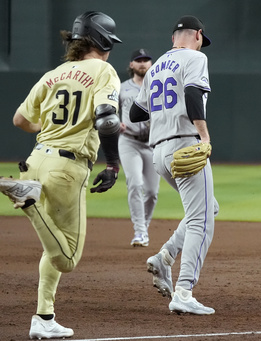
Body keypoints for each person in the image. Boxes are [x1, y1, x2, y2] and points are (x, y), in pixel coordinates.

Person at [0, 11, 122, 338]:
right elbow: (107, 118)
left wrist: (49, 129)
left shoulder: (54, 74)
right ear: (102, 41)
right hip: (68, 168)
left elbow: (19, 120)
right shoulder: (104, 70)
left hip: (37, 159)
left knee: (52, 247)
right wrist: (113, 164)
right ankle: (29, 202)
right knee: (67, 257)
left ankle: (43, 317)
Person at [130, 15, 219, 315]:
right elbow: (193, 93)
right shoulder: (195, 58)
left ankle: (165, 256)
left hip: (160, 153)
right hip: (185, 144)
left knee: (208, 208)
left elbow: (135, 113)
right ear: (197, 35)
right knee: (201, 220)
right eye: (201, 40)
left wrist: (164, 110)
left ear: (172, 38)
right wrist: (204, 136)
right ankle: (184, 290)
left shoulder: (154, 68)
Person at [119, 48, 160, 247]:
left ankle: (144, 225)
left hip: (153, 144)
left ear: (151, 64)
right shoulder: (121, 88)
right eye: (138, 60)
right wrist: (114, 122)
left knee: (152, 192)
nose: (143, 63)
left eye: (146, 60)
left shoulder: (158, 87)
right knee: (135, 184)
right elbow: (109, 111)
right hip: (129, 141)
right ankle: (140, 232)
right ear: (132, 65)